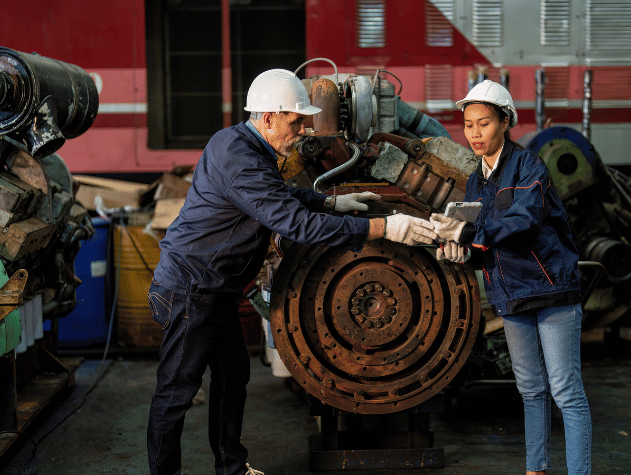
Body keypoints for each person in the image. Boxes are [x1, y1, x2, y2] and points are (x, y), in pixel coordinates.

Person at [146, 68, 437, 475]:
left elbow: (279, 195)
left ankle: (232, 468)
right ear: (268, 118)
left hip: (213, 288)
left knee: (232, 378)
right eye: (295, 121)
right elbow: (294, 224)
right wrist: (383, 227)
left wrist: (330, 204)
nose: (303, 130)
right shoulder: (239, 157)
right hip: (191, 289)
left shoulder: (247, 147)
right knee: (176, 391)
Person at [430, 80, 592, 475]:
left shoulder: (529, 166)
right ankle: (536, 470)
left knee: (565, 391)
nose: (474, 134)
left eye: (484, 123)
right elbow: (485, 242)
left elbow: (521, 224)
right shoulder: (474, 181)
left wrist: (469, 233)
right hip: (511, 296)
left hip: (552, 291)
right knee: (530, 391)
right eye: (468, 125)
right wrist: (460, 251)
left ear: (505, 122)